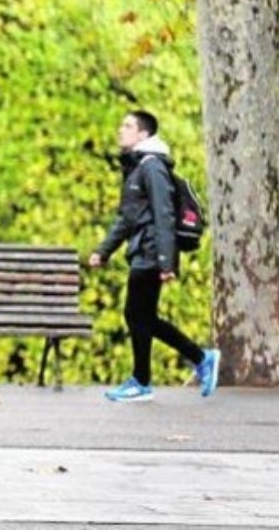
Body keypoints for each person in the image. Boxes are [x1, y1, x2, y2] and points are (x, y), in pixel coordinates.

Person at [90, 110, 220, 402]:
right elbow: (127, 218)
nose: (120, 130)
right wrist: (103, 251)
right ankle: (199, 359)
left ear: (143, 134)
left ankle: (144, 380)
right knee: (142, 317)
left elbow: (164, 214)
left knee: (137, 315)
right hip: (143, 250)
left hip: (151, 252)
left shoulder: (152, 167)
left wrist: (166, 261)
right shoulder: (137, 168)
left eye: (127, 126)